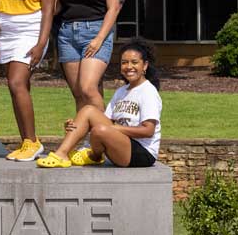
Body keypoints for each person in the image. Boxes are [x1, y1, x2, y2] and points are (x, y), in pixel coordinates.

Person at [37, 39, 161, 168]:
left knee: (100, 130)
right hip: (120, 142)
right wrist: (75, 126)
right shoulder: (121, 91)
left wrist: (115, 129)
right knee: (88, 110)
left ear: (145, 65)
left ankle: (94, 156)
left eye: (134, 62)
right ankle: (61, 154)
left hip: (142, 153)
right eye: (124, 62)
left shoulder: (148, 91)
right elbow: (104, 120)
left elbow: (148, 131)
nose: (129, 67)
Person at [0, 0, 58, 162]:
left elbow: (49, 12)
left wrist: (41, 44)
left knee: (16, 82)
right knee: (15, 88)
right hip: (7, 34)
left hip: (29, 31)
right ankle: (26, 142)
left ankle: (32, 142)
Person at [56, 0, 122, 114]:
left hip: (94, 31)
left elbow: (113, 9)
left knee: (88, 88)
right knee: (78, 94)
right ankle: (86, 139)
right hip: (66, 35)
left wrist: (99, 38)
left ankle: (106, 134)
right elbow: (56, 8)